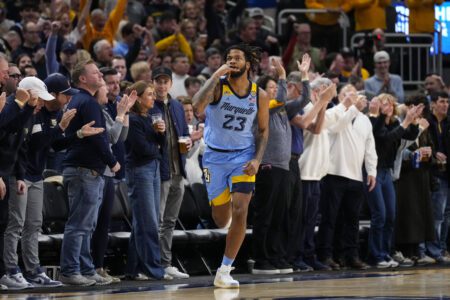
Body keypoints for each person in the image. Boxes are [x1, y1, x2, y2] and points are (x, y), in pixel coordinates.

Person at [193, 44, 270, 288]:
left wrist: (257, 159)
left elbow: (263, 131)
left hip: (242, 157)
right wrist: (215, 75)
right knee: (220, 218)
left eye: (237, 58)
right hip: (214, 157)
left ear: (248, 64)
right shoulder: (218, 87)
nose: (232, 61)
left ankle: (225, 269)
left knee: (241, 210)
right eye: (229, 58)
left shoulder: (259, 94)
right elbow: (196, 107)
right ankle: (225, 217)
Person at [1, 76, 80, 289]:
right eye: (38, 100)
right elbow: (30, 145)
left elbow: (42, 146)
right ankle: (10, 269)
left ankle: (33, 269)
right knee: (15, 224)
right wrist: (60, 128)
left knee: (34, 224)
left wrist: (75, 133)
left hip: (33, 175)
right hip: (18, 175)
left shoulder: (35, 113)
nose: (41, 104)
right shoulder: (18, 111)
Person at [59, 60, 120, 286]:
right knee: (79, 225)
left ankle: (85, 268)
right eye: (95, 72)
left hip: (83, 169)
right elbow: (99, 137)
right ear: (83, 79)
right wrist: (112, 161)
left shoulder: (81, 100)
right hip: (84, 170)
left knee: (86, 224)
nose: (100, 75)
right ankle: (70, 270)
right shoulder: (88, 102)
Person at [367, 94, 420, 268]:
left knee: (390, 215)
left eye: (390, 103)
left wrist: (412, 120)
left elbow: (410, 136)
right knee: (379, 215)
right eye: (383, 103)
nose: (387, 106)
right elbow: (385, 138)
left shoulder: (395, 122)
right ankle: (376, 255)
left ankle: (386, 252)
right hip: (372, 172)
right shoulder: (375, 122)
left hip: (387, 173)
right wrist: (405, 122)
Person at [150, 66, 191, 280]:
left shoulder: (176, 105)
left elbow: (184, 133)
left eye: (165, 81)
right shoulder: (148, 105)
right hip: (161, 171)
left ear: (171, 84)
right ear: (153, 83)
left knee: (170, 221)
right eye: (158, 81)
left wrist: (189, 141)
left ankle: (165, 262)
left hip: (178, 170)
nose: (162, 85)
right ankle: (155, 264)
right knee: (158, 220)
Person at [125, 81, 168, 280]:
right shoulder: (133, 120)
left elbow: (162, 146)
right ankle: (154, 269)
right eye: (149, 94)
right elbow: (141, 148)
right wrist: (156, 147)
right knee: (148, 222)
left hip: (153, 168)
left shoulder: (150, 117)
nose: (153, 97)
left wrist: (162, 134)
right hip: (140, 169)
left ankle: (134, 268)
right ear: (138, 98)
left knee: (142, 222)